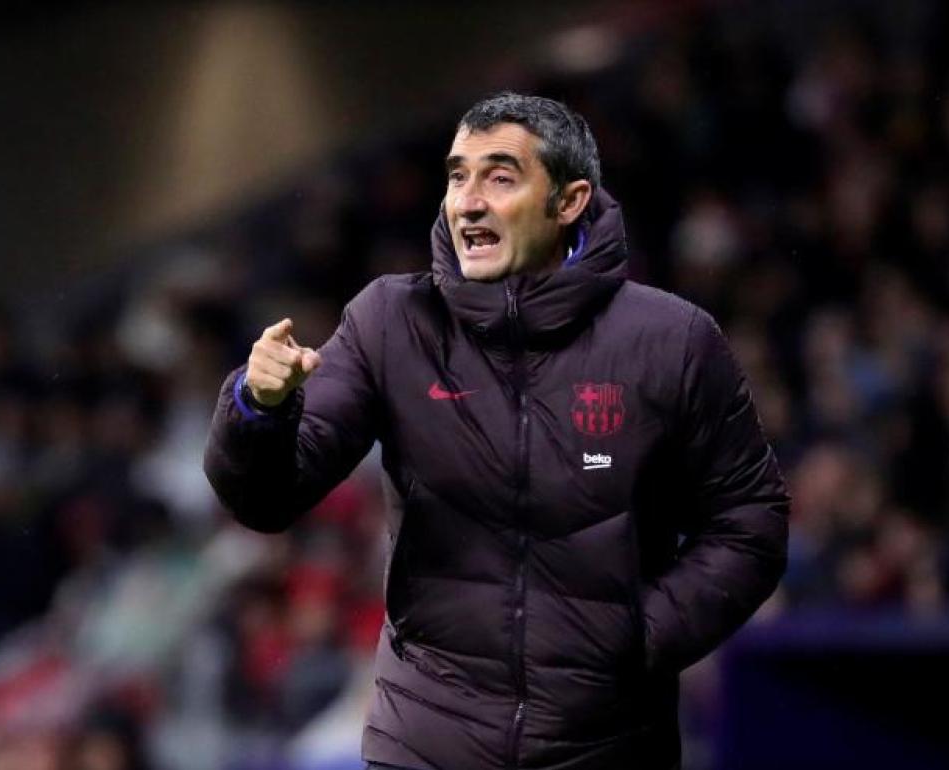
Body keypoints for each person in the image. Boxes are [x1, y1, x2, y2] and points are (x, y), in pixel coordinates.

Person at [203, 93, 790, 770]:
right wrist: (259, 408)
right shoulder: (391, 321)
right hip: (424, 743)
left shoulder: (672, 341)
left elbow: (751, 521)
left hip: (606, 746)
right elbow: (266, 499)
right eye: (457, 176)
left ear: (569, 202)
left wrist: (637, 638)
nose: (467, 202)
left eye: (500, 177)